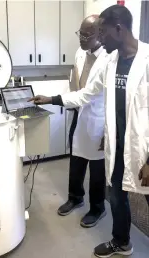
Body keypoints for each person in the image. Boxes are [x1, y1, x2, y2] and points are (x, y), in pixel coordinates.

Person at [30, 5, 149, 258]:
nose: (99, 38)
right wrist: (51, 98)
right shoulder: (111, 62)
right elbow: (87, 93)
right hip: (117, 145)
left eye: (102, 33)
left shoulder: (148, 60)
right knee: (116, 197)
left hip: (144, 149)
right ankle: (122, 242)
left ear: (119, 29)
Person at [57, 15, 107, 228]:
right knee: (76, 159)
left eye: (88, 34)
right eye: (80, 33)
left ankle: (98, 208)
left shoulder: (108, 58)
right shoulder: (80, 53)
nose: (82, 38)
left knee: (97, 168)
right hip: (79, 113)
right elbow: (73, 83)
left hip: (98, 118)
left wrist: (56, 100)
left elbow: (89, 94)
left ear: (100, 34)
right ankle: (75, 196)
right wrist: (66, 100)